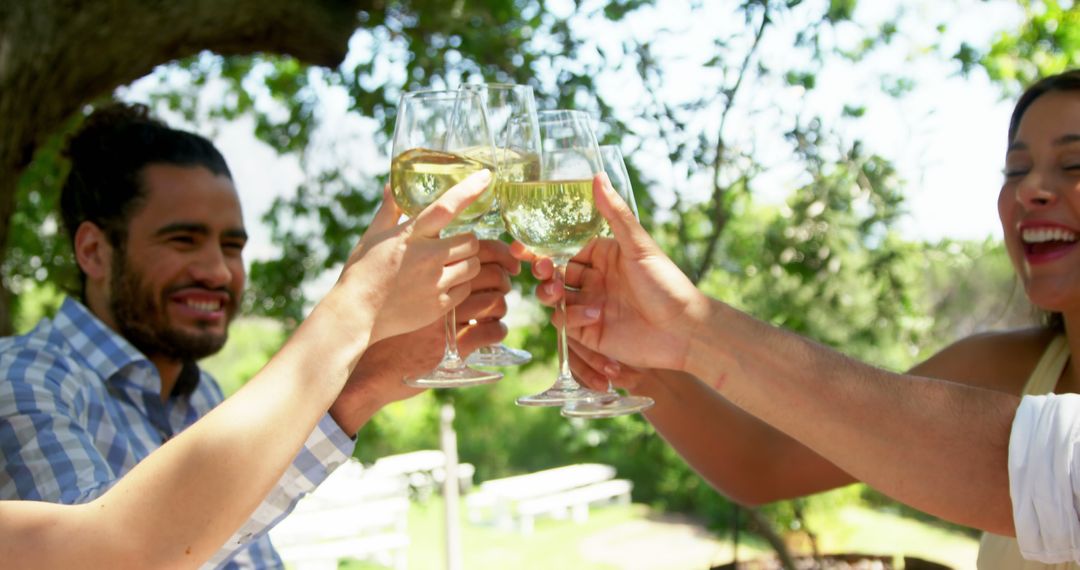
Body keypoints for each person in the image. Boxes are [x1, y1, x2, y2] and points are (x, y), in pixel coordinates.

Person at [520, 69, 1080, 566]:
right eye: (1016, 169)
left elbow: (1024, 471)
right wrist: (649, 362)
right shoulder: (1003, 365)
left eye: (1074, 163)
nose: (1031, 188)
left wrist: (692, 327)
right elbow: (762, 464)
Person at [0, 103, 518, 568]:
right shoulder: (23, 382)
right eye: (183, 240)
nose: (219, 271)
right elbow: (104, 559)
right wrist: (357, 305)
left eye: (232, 246)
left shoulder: (199, 394)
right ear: (93, 251)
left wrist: (368, 379)